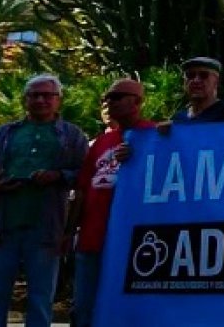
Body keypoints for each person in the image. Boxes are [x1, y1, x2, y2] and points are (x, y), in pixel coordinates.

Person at [0, 74, 87, 327]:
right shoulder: (6, 133)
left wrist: (57, 176)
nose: (40, 100)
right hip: (2, 225)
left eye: (47, 95)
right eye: (34, 95)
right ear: (25, 100)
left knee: (40, 296)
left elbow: (84, 174)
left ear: (59, 100)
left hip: (46, 227)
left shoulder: (71, 135)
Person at [67, 79, 155, 327]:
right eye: (107, 98)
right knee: (84, 308)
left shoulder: (154, 135)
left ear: (136, 102)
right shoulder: (100, 143)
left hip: (133, 243)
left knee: (128, 309)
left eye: (116, 97)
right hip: (92, 238)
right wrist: (68, 232)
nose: (109, 102)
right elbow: (83, 190)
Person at [172, 57, 224, 123]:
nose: (196, 80)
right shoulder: (178, 119)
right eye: (190, 75)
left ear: (216, 82)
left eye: (203, 75)